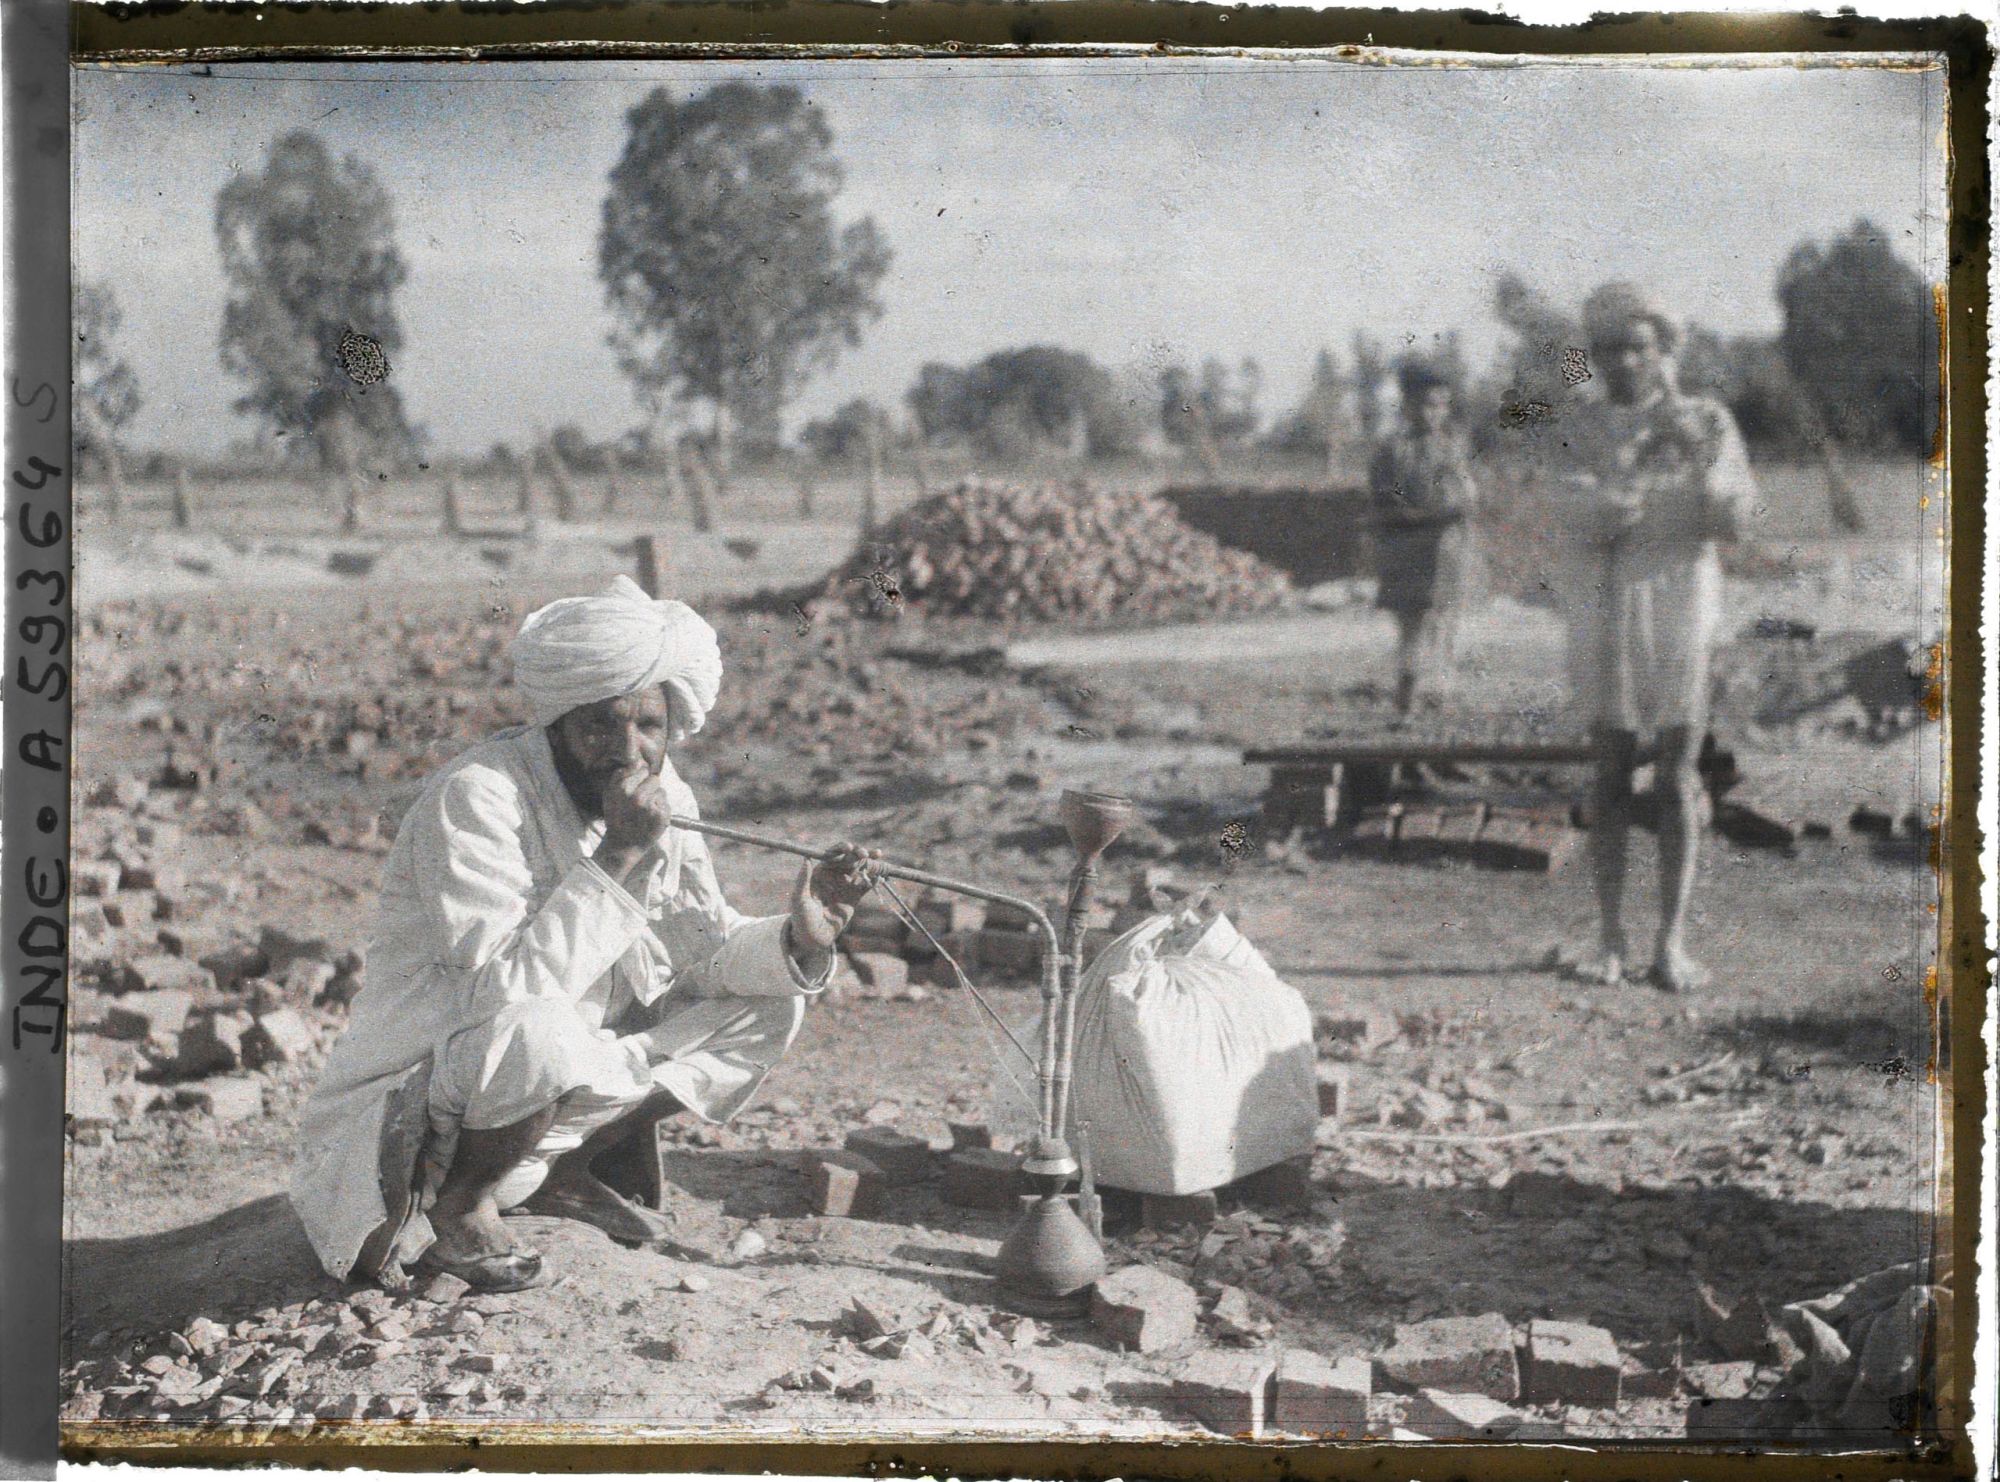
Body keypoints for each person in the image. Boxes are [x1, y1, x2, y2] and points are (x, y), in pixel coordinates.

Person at [290, 576, 880, 1291]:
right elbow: (499, 995)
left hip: (543, 1107)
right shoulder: (478, 796)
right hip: (428, 1114)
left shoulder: (668, 795)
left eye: (649, 726)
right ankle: (459, 1207)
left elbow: (703, 951)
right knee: (541, 1031)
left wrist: (802, 939)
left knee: (774, 999)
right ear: (558, 725)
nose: (629, 752)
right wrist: (620, 855)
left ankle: (565, 1169)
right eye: (601, 725)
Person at [1555, 283, 1755, 993]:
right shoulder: (1580, 425)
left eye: (1637, 346)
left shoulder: (1706, 419)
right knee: (1610, 771)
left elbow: (1734, 518)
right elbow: (1573, 512)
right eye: (1608, 348)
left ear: (1663, 350)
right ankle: (1610, 937)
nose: (1624, 361)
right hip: (1607, 602)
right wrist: (1625, 483)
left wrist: (1698, 463)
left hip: (1681, 597)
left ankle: (1671, 943)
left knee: (1676, 773)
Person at [1370, 360, 1480, 715]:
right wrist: (1429, 515)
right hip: (1408, 550)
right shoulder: (1393, 451)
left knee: (1445, 626)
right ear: (1407, 405)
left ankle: (1440, 698)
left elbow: (1466, 495)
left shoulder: (1453, 447)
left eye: (1441, 405)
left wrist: (1459, 506)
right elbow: (1385, 503)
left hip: (1448, 550)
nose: (1433, 413)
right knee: (1412, 629)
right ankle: (1407, 698)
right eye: (1425, 404)